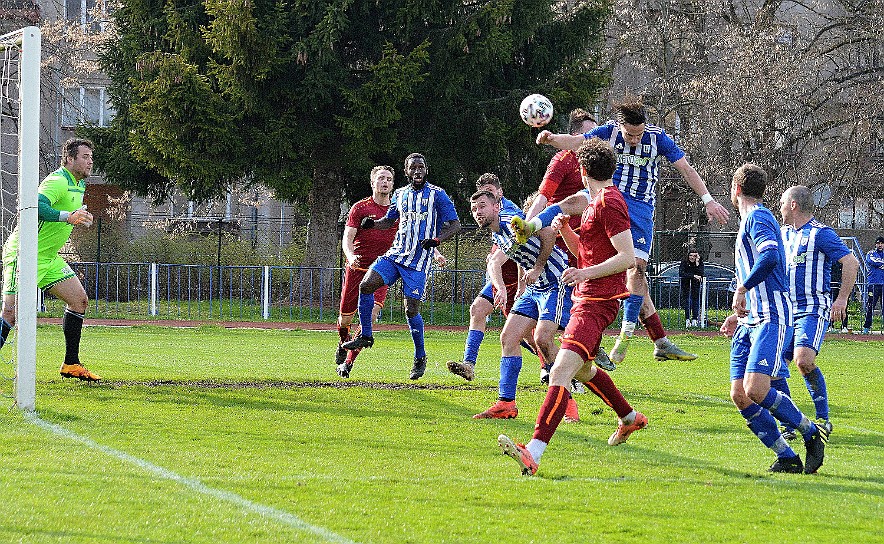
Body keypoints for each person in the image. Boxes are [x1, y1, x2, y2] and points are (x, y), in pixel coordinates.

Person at [536, 98, 729, 365]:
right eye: (630, 134)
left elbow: (685, 168)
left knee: (636, 269)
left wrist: (708, 200)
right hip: (608, 196)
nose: (635, 140)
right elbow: (577, 141)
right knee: (569, 203)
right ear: (621, 125)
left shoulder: (658, 138)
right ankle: (531, 224)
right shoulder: (609, 131)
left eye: (639, 134)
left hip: (639, 209)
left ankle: (627, 336)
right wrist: (551, 138)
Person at [498, 138, 647, 475]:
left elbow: (627, 259)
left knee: (561, 371)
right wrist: (565, 231)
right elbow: (589, 253)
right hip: (587, 298)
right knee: (583, 370)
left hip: (597, 304)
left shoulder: (609, 203)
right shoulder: (596, 203)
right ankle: (629, 417)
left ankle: (533, 451)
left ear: (582, 171)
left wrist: (584, 273)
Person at [720, 164, 829, 474]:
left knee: (756, 389)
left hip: (771, 315)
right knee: (740, 395)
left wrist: (742, 288)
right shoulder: (751, 220)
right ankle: (787, 456)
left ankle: (810, 432)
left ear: (736, 189)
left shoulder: (758, 217)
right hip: (750, 319)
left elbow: (770, 257)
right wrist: (737, 311)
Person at [342, 153, 461, 380]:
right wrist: (373, 224)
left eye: (421, 167)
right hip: (395, 256)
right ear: (406, 172)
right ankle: (366, 335)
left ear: (426, 170)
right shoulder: (400, 194)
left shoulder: (437, 195)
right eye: (413, 168)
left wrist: (436, 241)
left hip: (418, 262)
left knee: (410, 310)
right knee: (366, 285)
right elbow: (389, 220)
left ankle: (419, 357)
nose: (417, 171)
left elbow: (454, 225)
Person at [468, 189, 575, 420]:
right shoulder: (497, 235)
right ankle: (506, 403)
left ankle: (569, 402)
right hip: (534, 289)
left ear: (497, 206)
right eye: (474, 209)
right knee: (508, 338)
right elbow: (520, 256)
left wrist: (537, 268)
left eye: (483, 206)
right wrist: (520, 288)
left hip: (555, 282)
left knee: (543, 339)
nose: (478, 212)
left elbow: (547, 233)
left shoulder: (510, 221)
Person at [524, 109, 616, 375]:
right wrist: (527, 227)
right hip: (560, 244)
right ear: (574, 136)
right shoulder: (562, 161)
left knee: (588, 301)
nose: (594, 138)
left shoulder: (598, 164)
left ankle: (584, 351)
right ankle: (556, 366)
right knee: (554, 312)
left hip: (587, 242)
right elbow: (543, 199)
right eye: (588, 133)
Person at [0, 138, 100, 381]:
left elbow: (69, 216)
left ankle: (71, 364)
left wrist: (79, 218)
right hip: (24, 253)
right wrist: (68, 216)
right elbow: (36, 205)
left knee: (79, 301)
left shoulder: (78, 184)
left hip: (47, 257)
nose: (90, 161)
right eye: (85, 157)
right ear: (69, 159)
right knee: (10, 313)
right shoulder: (58, 181)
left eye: (91, 157)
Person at [776, 185, 859, 440]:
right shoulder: (782, 235)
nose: (779, 208)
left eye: (782, 202)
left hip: (811, 309)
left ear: (793, 205)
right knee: (774, 367)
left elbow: (850, 262)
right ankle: (790, 423)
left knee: (803, 361)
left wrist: (841, 299)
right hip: (784, 310)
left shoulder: (820, 234)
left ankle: (823, 419)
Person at [446, 174, 541, 382]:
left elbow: (519, 254)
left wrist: (520, 287)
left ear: (499, 193)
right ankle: (469, 364)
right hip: (501, 278)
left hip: (517, 279)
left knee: (526, 335)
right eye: (476, 207)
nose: (478, 211)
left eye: (491, 191)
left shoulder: (510, 215)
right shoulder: (490, 215)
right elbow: (495, 259)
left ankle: (553, 368)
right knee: (478, 309)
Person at [334, 166, 398, 378]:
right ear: (373, 183)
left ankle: (348, 363)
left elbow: (412, 236)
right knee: (345, 320)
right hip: (357, 269)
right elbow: (347, 237)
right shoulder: (360, 208)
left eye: (389, 179)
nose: (385, 182)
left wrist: (433, 252)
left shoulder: (398, 210)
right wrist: (351, 256)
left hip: (381, 271)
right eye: (381, 178)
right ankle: (344, 342)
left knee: (369, 318)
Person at [862, 236, 884, 334]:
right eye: (878, 243)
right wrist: (880, 264)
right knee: (870, 306)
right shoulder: (871, 253)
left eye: (882, 243)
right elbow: (872, 261)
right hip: (873, 284)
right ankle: (866, 327)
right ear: (875, 244)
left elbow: (877, 263)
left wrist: (879, 264)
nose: (880, 245)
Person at [679, 248, 704, 327]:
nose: (692, 257)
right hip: (686, 284)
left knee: (695, 301)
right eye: (690, 255)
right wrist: (693, 276)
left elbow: (700, 273)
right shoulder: (684, 263)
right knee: (687, 301)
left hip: (695, 285)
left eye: (694, 256)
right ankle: (687, 319)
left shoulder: (699, 263)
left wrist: (697, 264)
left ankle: (694, 320)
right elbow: (682, 273)